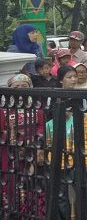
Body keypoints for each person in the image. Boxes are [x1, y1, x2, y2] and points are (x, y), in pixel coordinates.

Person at [1, 74, 47, 217]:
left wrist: (31, 144)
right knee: (12, 185)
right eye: (16, 87)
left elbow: (41, 129)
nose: (20, 90)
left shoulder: (37, 108)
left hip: (32, 153)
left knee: (33, 185)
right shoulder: (3, 110)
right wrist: (12, 140)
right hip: (11, 155)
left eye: (24, 86)